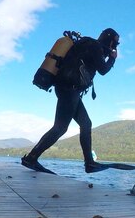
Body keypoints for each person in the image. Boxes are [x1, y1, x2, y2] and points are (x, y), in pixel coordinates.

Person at [22, 28, 119, 174]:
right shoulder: (96, 47)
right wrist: (112, 58)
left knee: (86, 123)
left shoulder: (88, 44)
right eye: (115, 43)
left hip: (68, 89)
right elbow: (103, 70)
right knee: (60, 127)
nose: (115, 47)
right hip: (69, 89)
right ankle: (31, 157)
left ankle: (89, 163)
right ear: (110, 40)